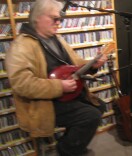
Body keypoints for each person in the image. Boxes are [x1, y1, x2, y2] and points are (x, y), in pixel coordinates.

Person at [5, 0, 109, 155]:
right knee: (90, 116)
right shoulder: (21, 46)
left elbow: (75, 63)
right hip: (44, 103)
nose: (59, 23)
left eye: (60, 19)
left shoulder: (56, 38)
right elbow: (22, 84)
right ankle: (66, 149)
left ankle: (70, 144)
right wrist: (59, 86)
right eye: (54, 19)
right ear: (38, 18)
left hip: (67, 96)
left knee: (99, 106)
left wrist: (93, 64)